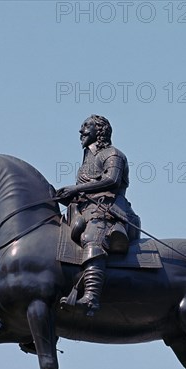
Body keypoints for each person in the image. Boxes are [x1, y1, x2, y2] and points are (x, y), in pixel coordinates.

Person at [56, 115, 137, 315]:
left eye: (86, 126)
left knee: (92, 238)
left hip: (108, 210)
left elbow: (112, 181)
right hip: (84, 210)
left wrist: (75, 189)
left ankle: (91, 298)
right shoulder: (87, 159)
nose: (81, 131)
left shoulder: (113, 155)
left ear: (99, 130)